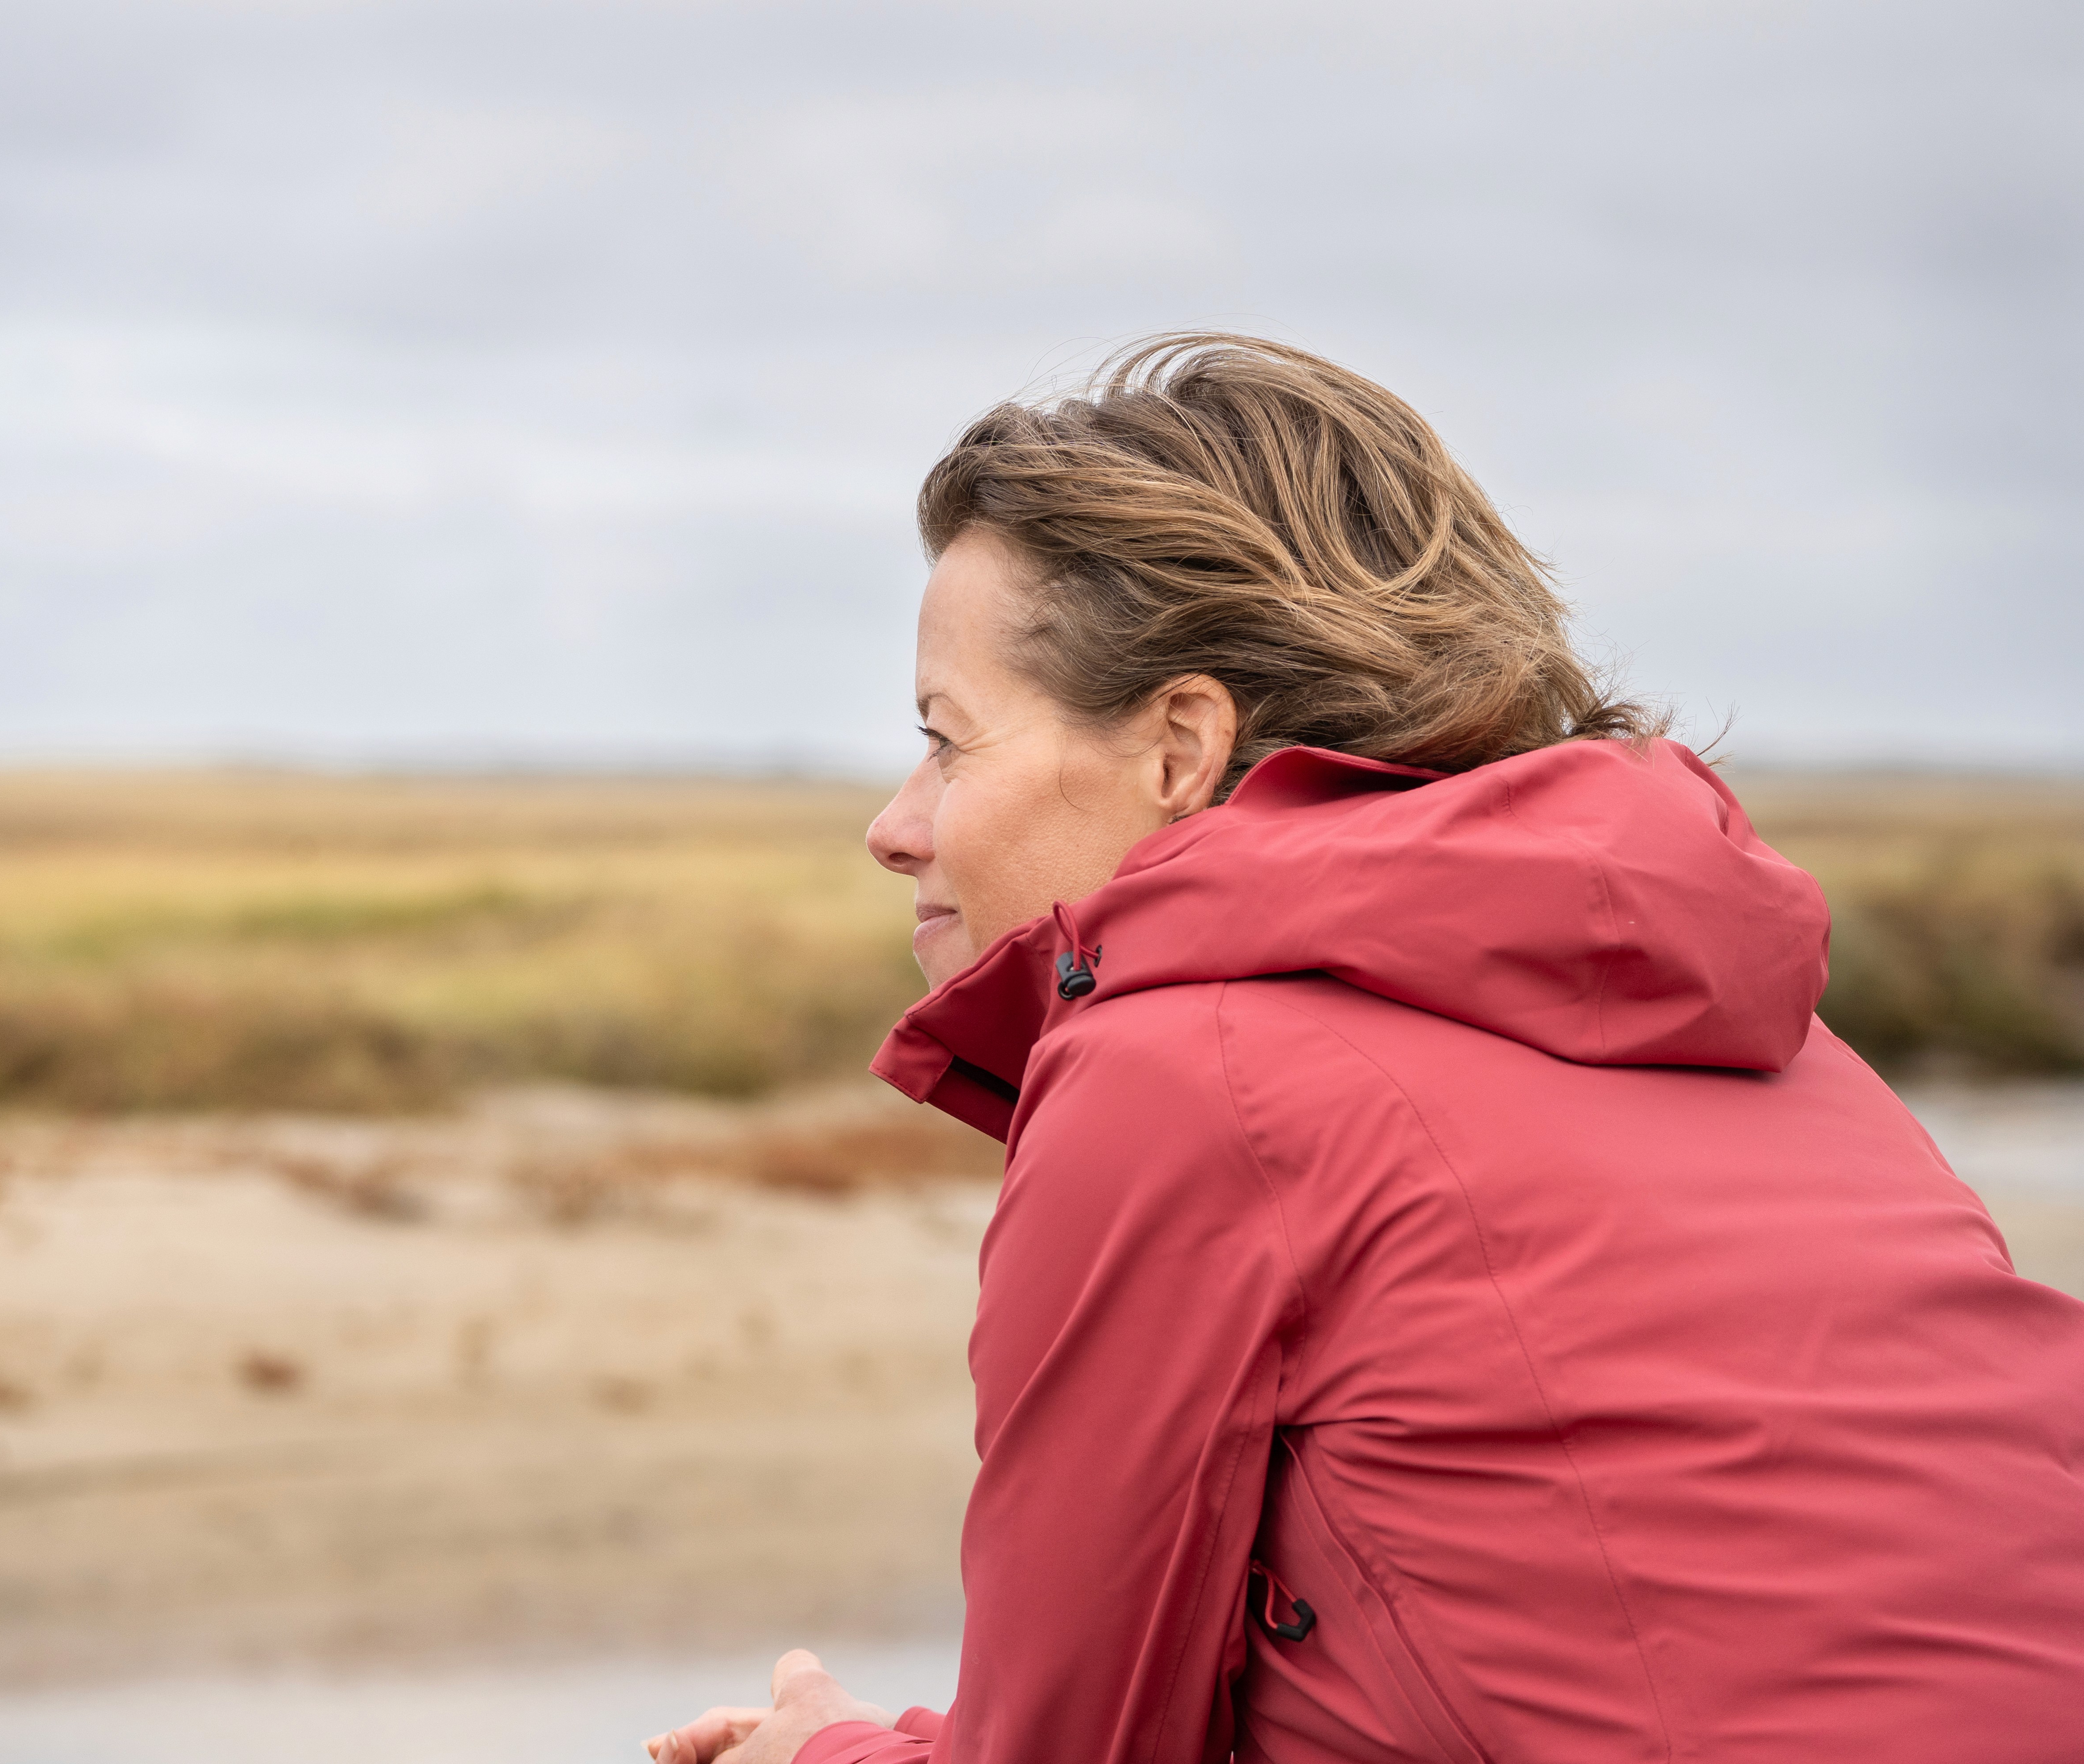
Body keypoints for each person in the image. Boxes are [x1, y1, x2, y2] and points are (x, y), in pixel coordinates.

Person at [643, 335, 2084, 1764]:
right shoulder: (1784, 1046)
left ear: (1177, 748)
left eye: (948, 742)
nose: (895, 826)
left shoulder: (1177, 1071)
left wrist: (811, 1758)